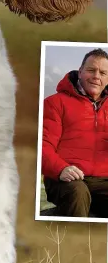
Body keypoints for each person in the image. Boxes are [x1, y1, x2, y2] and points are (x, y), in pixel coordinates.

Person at [42, 48, 108, 217]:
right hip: (66, 177)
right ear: (80, 72)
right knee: (77, 192)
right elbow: (42, 146)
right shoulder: (54, 103)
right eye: (91, 70)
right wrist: (61, 168)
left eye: (103, 73)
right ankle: (71, 241)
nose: (96, 77)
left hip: (103, 179)